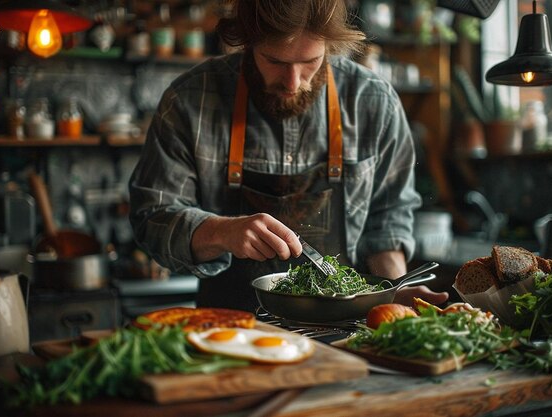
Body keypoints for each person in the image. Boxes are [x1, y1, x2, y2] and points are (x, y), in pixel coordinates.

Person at [129, 0, 449, 312]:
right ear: (247, 43)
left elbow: (388, 221)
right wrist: (222, 231)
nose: (293, 83)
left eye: (311, 61)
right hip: (229, 333)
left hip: (346, 334)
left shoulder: (373, 101)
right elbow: (152, 217)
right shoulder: (190, 99)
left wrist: (394, 292)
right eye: (276, 61)